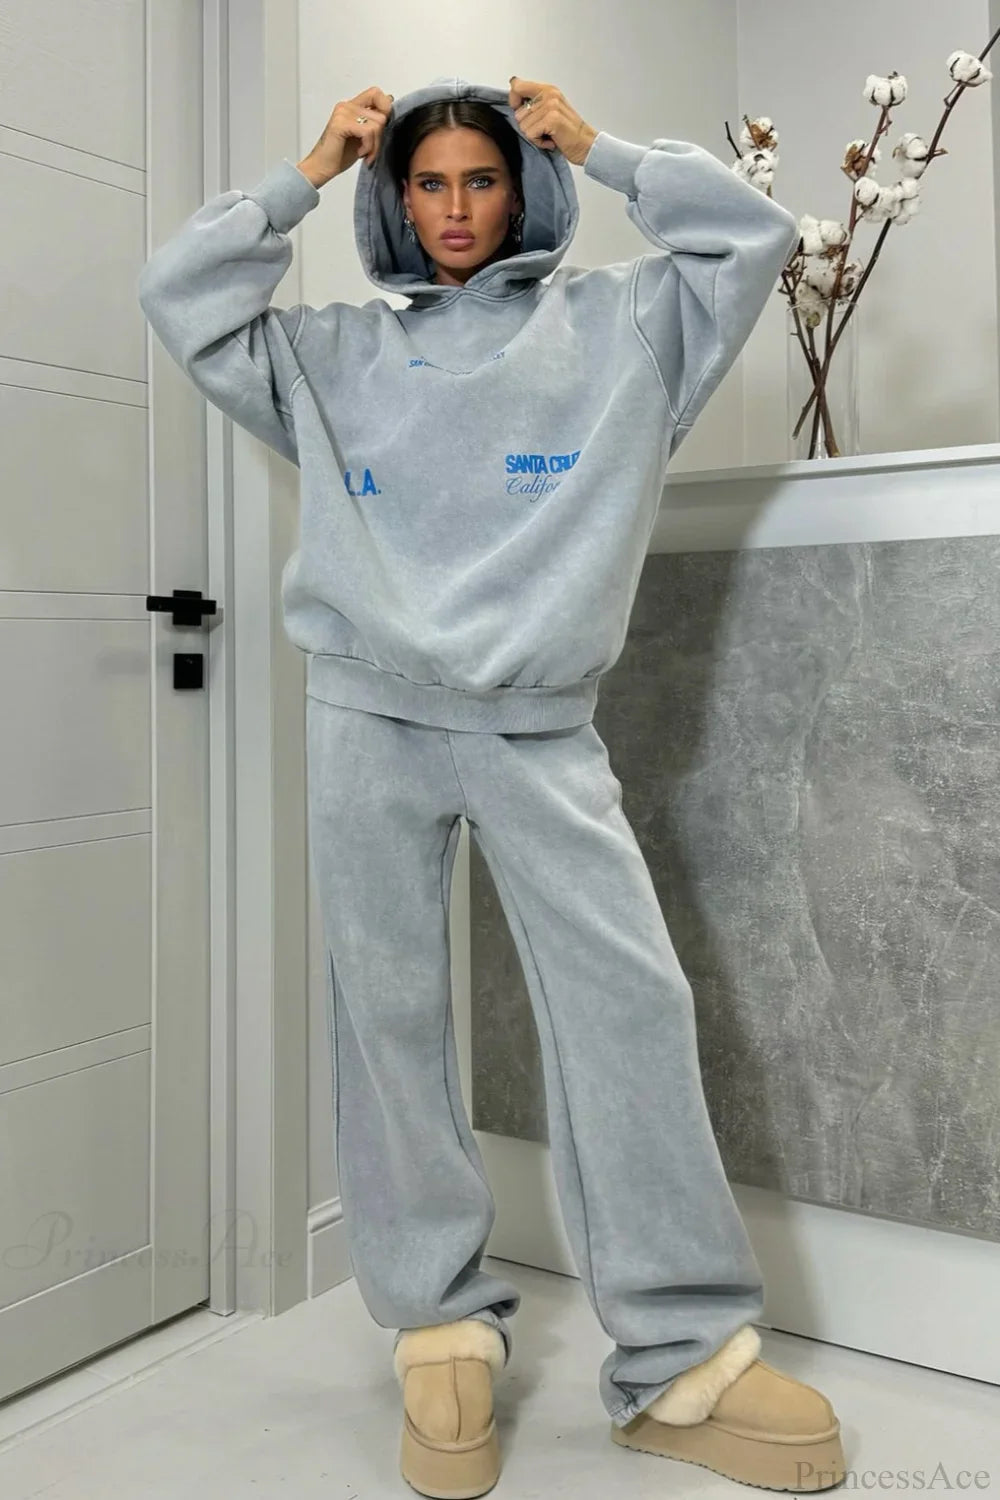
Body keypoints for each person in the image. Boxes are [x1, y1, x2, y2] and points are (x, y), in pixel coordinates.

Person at [138, 75, 845, 1497]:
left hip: (540, 729)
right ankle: (440, 1329)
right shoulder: (330, 354)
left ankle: (685, 1359)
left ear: (524, 189)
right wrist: (304, 172)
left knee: (629, 1009)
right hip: (367, 720)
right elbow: (182, 291)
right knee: (388, 1020)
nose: (455, 208)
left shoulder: (628, 327)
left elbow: (754, 239)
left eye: (482, 178)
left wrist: (605, 147)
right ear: (395, 201)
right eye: (427, 183)